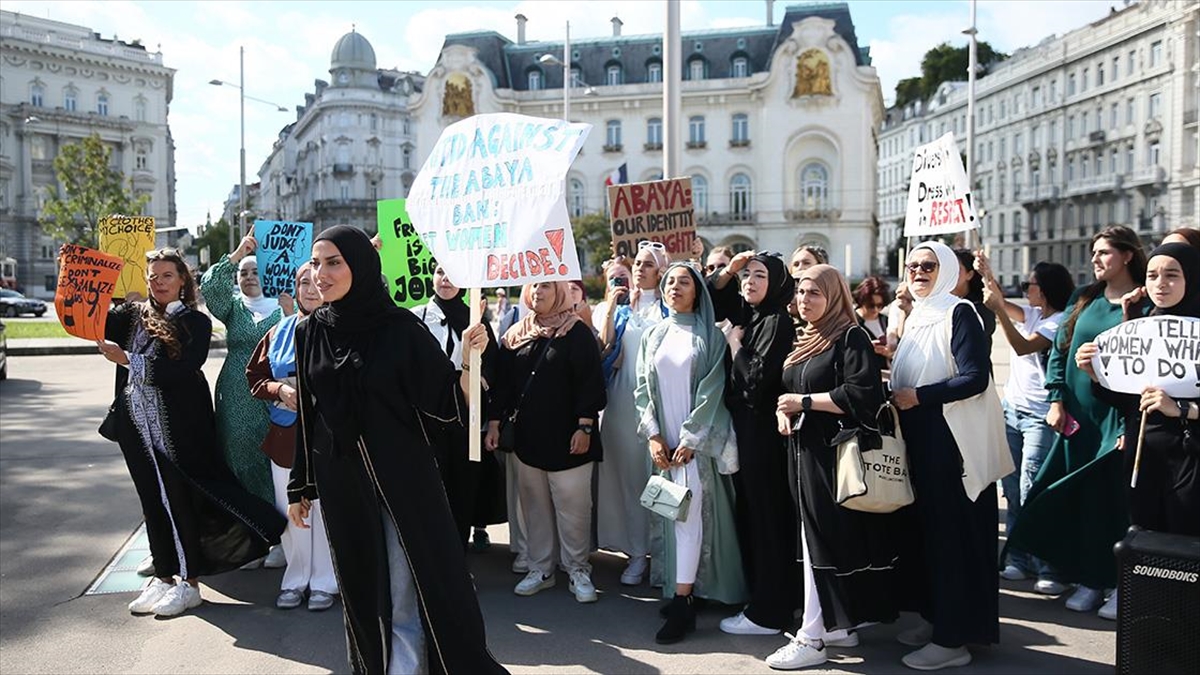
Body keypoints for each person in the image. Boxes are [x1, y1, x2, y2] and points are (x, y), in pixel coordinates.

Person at [289, 226, 506, 674]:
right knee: (364, 592)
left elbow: (447, 402)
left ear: (361, 267)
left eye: (334, 262)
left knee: (409, 588)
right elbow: (311, 414)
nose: (321, 274)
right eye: (316, 262)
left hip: (404, 483)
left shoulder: (399, 328)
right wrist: (302, 483)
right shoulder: (310, 331)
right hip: (342, 483)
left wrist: (468, 359)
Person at [97, 248, 284, 618]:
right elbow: (93, 320)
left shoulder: (193, 323)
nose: (158, 283)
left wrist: (129, 360)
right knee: (151, 501)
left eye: (167, 276)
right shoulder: (132, 317)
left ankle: (189, 582)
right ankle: (164, 577)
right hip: (137, 426)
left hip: (178, 429)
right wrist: (83, 286)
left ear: (183, 280)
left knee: (180, 501)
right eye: (153, 276)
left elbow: (181, 369)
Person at [1008, 225, 1148, 619]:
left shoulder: (1144, 304)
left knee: (1114, 506)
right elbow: (1059, 351)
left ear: (1126, 256)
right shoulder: (1083, 298)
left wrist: (1130, 425)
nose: (1095, 260)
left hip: (1117, 420)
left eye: (1104, 252)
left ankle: (1121, 584)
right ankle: (1088, 579)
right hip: (1077, 418)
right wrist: (1056, 399)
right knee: (1076, 500)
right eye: (1093, 253)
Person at [766, 264, 899, 670]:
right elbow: (790, 389)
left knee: (821, 542)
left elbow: (862, 393)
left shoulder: (850, 335)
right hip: (805, 452)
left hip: (834, 455)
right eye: (802, 292)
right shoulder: (808, 337)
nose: (805, 300)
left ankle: (812, 637)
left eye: (815, 293)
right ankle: (833, 624)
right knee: (812, 540)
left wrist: (803, 404)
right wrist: (783, 411)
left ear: (835, 296)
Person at [889, 241, 1007, 670]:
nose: (919, 271)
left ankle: (952, 638)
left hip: (951, 443)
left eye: (929, 265)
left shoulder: (961, 312)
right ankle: (936, 618)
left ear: (950, 270)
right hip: (921, 439)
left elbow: (975, 378)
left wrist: (918, 396)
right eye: (913, 265)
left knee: (950, 540)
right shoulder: (919, 314)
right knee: (927, 539)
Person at [1075, 242, 1200, 620]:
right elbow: (1127, 400)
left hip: (1190, 458)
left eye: (1172, 274)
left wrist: (1179, 408)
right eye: (1153, 275)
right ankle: (1152, 623)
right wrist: (1097, 373)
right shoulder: (1145, 326)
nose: (1161, 283)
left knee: (1184, 542)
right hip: (1145, 452)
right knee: (1145, 535)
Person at [634, 263, 746, 644]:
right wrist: (653, 436)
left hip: (693, 447)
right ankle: (683, 590)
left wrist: (691, 439)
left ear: (698, 289)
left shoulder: (710, 337)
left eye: (684, 281)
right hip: (664, 445)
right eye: (669, 282)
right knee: (673, 514)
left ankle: (682, 604)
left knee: (689, 516)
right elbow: (641, 390)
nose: (675, 287)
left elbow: (713, 390)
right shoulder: (654, 334)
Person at [485, 281, 607, 603]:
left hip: (570, 440)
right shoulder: (515, 335)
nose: (538, 292)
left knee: (574, 509)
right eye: (534, 286)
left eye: (547, 287)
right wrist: (495, 422)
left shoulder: (576, 332)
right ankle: (540, 569)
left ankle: (578, 569)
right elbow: (504, 386)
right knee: (534, 508)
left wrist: (585, 427)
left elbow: (590, 384)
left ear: (561, 293)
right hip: (528, 439)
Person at [709, 251, 800, 636]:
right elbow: (713, 298)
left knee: (767, 521)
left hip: (763, 434)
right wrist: (728, 270)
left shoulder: (777, 322)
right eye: (746, 275)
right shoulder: (758, 316)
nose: (749, 281)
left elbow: (757, 382)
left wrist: (733, 345)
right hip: (751, 433)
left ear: (778, 283)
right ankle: (771, 600)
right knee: (758, 518)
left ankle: (769, 612)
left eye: (759, 275)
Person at [246, 262, 339, 611]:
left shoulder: (343, 330)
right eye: (303, 283)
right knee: (292, 511)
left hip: (331, 438)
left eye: (316, 282)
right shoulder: (279, 331)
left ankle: (326, 582)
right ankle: (296, 578)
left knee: (326, 511)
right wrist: (279, 391)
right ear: (295, 290)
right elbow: (254, 377)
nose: (311, 289)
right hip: (286, 437)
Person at [980, 258, 1075, 594]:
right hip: (1013, 410)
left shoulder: (1058, 323)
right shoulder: (1036, 313)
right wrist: (986, 271)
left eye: (1028, 286)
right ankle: (1019, 558)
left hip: (1038, 416)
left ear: (1045, 290)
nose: (1023, 290)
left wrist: (999, 311)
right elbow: (998, 300)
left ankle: (1047, 562)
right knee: (1012, 490)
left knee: (1031, 487)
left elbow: (1021, 347)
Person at [414, 264, 507, 552]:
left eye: (454, 273)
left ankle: (457, 559)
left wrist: (480, 380)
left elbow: (494, 366)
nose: (445, 279)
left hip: (468, 423)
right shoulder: (415, 318)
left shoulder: (476, 320)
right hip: (426, 422)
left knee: (462, 493)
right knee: (428, 493)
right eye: (441, 271)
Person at [595, 243, 668, 586]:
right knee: (629, 481)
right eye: (637, 263)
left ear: (661, 270)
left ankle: (666, 554)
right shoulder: (625, 308)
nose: (639, 269)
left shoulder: (671, 307)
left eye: (648, 264)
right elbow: (605, 346)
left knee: (662, 480)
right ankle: (637, 553)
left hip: (663, 405)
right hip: (623, 403)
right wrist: (611, 306)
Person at [200, 237, 280, 528]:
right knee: (239, 454)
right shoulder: (233, 308)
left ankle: (281, 530)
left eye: (255, 271)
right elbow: (209, 286)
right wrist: (238, 254)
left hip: (278, 390)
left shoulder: (286, 303)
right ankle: (251, 528)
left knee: (277, 459)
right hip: (237, 391)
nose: (248, 277)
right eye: (243, 273)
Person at [952, 248, 996, 351]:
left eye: (956, 269)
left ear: (969, 274)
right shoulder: (939, 303)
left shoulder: (981, 307)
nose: (950, 273)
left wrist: (987, 275)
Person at [852, 275, 892, 371]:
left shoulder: (886, 321)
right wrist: (867, 347)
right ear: (861, 301)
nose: (875, 310)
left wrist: (890, 353)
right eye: (871, 305)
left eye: (880, 305)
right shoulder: (851, 322)